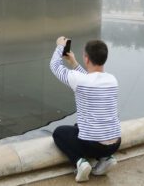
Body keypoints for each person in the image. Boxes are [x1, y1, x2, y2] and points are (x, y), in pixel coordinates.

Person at [50, 37, 121, 182]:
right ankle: (106, 159)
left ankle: (80, 163)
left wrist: (60, 46)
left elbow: (54, 66)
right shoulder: (112, 80)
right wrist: (74, 63)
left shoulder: (80, 80)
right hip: (115, 143)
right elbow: (91, 78)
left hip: (92, 145)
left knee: (59, 133)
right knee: (79, 126)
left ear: (87, 59)